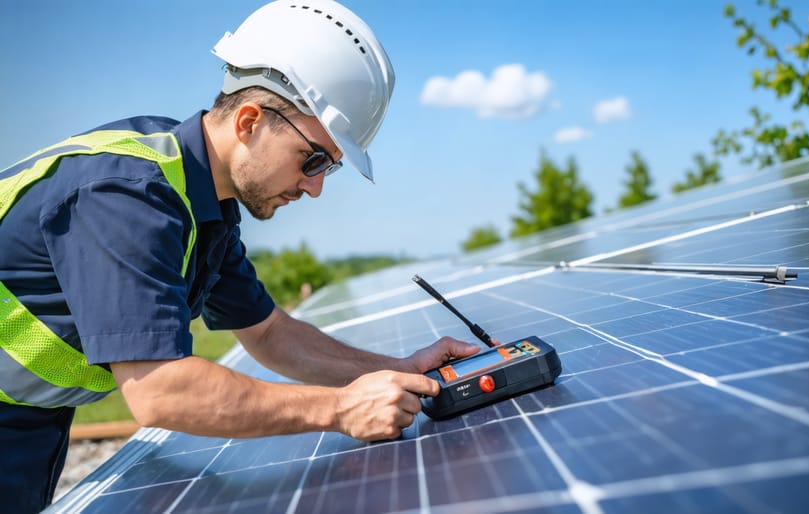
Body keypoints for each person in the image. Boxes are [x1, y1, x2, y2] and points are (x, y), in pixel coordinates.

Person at [0, 1, 479, 511]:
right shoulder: (126, 196)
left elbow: (270, 333)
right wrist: (340, 408)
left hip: (30, 418)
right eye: (312, 158)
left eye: (329, 168)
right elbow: (161, 390)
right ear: (250, 121)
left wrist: (398, 370)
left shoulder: (203, 206)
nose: (315, 188)